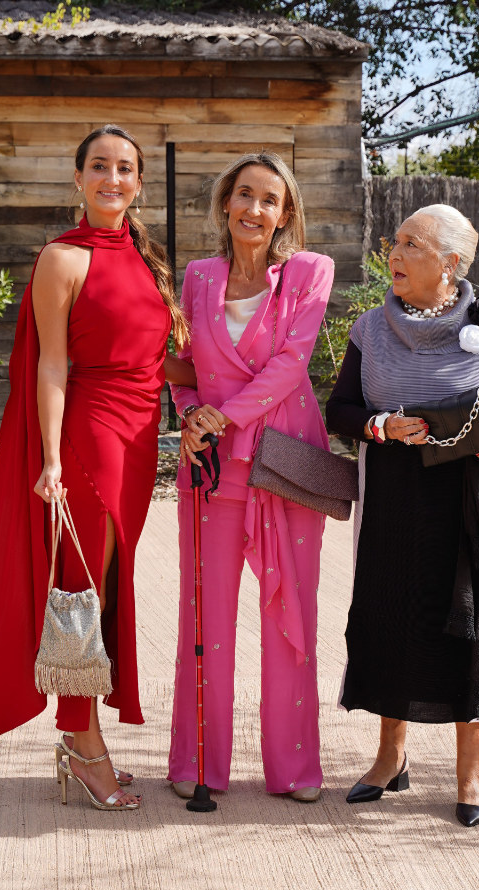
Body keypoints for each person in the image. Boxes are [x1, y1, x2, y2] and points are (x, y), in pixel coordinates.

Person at [0, 124, 195, 811]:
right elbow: (50, 364)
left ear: (138, 183)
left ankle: (86, 736)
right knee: (82, 591)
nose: (113, 178)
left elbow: (161, 359)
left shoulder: (146, 258)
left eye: (125, 168)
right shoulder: (62, 259)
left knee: (104, 584)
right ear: (78, 179)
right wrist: (48, 460)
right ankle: (81, 742)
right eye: (99, 166)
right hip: (91, 437)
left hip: (138, 442)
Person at [326, 204, 479, 827]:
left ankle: (470, 770)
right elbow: (339, 410)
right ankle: (390, 756)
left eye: (411, 244)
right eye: (394, 242)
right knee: (391, 618)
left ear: (449, 264)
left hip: (467, 502)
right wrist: (379, 424)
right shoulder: (369, 329)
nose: (393, 254)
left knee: (465, 629)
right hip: (394, 498)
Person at [167, 152, 335, 802]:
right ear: (226, 203)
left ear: (286, 212)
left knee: (290, 620)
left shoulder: (308, 273)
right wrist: (190, 418)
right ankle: (198, 765)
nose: (255, 209)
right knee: (203, 623)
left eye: (270, 199)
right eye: (245, 195)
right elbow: (181, 366)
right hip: (210, 469)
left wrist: (218, 414)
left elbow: (289, 366)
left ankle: (294, 771)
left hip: (284, 466)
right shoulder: (200, 278)